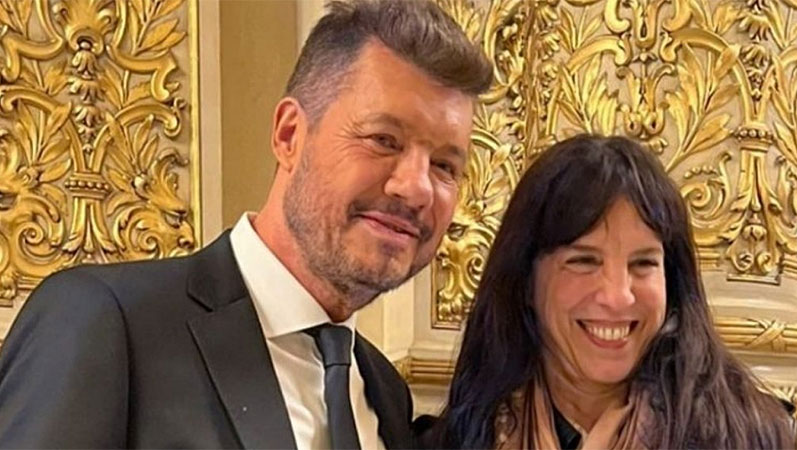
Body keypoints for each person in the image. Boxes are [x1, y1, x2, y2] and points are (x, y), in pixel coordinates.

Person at [0, 0, 492, 448]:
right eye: (384, 140)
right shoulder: (107, 323)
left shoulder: (384, 391)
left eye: (445, 166)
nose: (417, 188)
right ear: (290, 135)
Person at [429, 135, 796, 449]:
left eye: (643, 264)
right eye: (584, 261)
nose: (618, 296)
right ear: (525, 281)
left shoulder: (749, 436)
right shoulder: (462, 439)